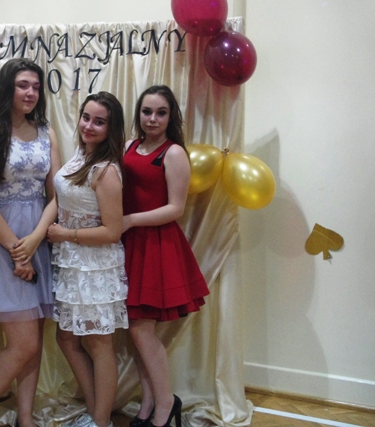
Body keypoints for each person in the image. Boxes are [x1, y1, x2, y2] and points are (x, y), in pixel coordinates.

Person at [0, 58, 61, 427]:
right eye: (23, 85)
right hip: (0, 237)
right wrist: (17, 249)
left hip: (38, 234)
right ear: (8, 87)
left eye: (36, 86)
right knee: (24, 344)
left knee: (34, 340)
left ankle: (26, 417)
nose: (31, 92)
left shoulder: (46, 132)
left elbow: (56, 195)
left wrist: (36, 238)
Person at [121, 85, 210, 427]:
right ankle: (148, 403)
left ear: (171, 116)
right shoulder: (129, 146)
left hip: (157, 246)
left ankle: (165, 404)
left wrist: (130, 220)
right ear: (139, 113)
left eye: (161, 112)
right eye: (147, 111)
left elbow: (176, 208)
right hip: (129, 245)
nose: (152, 119)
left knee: (141, 330)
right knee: (135, 331)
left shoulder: (173, 153)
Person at [47, 92, 128, 427]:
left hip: (95, 265)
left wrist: (66, 234)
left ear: (111, 129)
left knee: (98, 343)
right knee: (66, 338)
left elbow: (112, 230)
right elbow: (60, 199)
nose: (89, 126)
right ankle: (97, 412)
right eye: (86, 118)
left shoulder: (105, 170)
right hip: (71, 263)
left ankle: (101, 420)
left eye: (99, 122)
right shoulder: (80, 156)